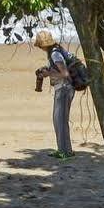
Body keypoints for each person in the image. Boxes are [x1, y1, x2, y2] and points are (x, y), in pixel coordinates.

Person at [34, 28, 78, 159]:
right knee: (59, 120)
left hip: (64, 88)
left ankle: (65, 152)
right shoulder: (55, 51)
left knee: (60, 120)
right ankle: (63, 149)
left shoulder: (55, 54)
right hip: (63, 88)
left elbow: (65, 74)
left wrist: (48, 73)